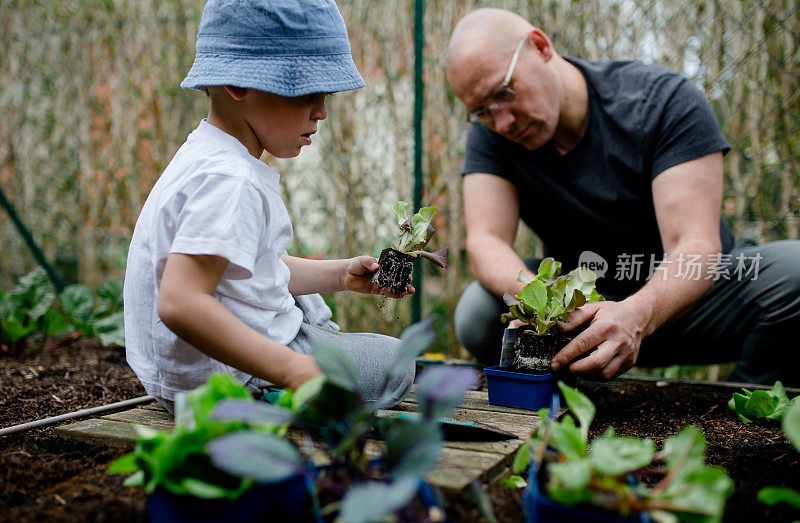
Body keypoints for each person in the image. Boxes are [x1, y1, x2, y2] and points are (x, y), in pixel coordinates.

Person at [446, 8, 800, 385]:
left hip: (691, 302)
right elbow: (486, 239)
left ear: (540, 46)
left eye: (504, 93)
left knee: (794, 274)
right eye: (482, 111)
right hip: (577, 310)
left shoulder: (663, 101)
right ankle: (568, 399)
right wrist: (543, 302)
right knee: (478, 312)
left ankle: (751, 413)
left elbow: (695, 244)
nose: (502, 123)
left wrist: (637, 314)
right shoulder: (493, 135)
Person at [123, 0, 414, 413]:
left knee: (313, 310)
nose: (322, 111)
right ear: (239, 84)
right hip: (233, 382)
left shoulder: (205, 157)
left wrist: (340, 275)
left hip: (197, 379)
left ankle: (312, 348)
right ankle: (291, 386)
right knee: (396, 363)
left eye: (325, 94)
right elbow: (180, 302)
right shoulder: (229, 180)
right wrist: (293, 370)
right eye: (308, 92)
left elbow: (247, 277)